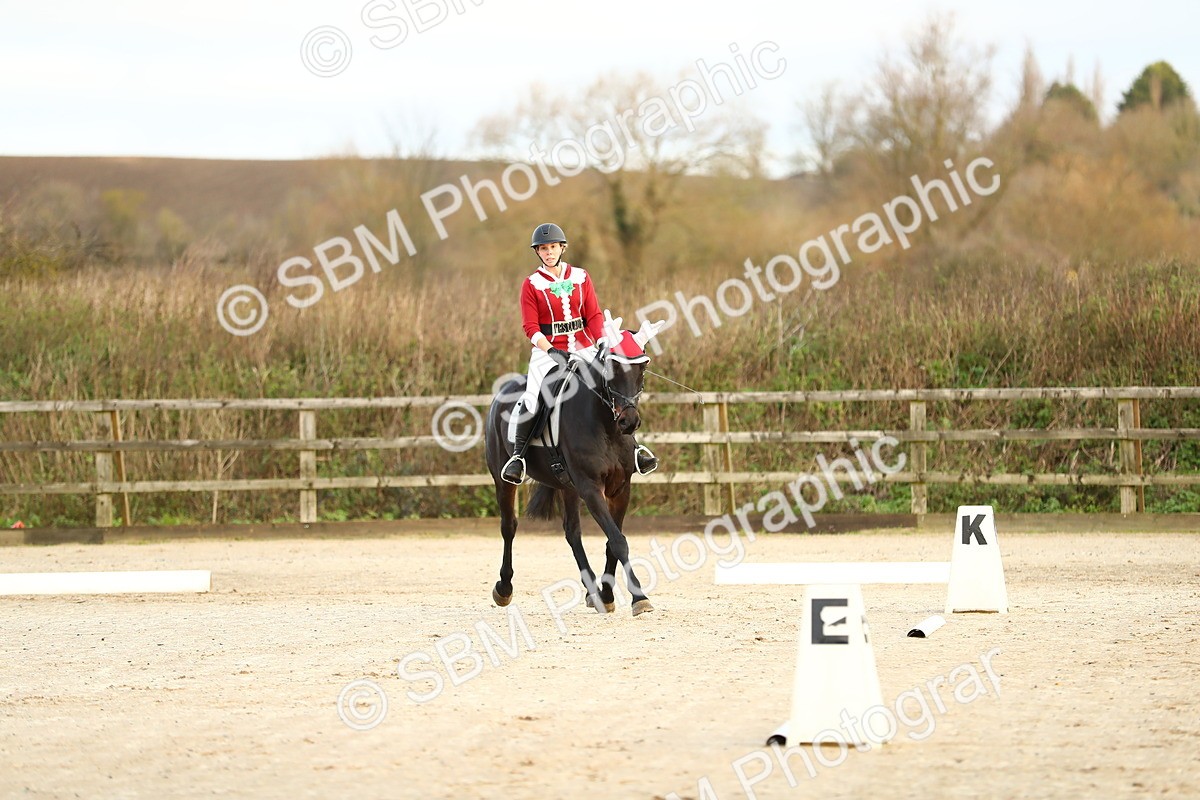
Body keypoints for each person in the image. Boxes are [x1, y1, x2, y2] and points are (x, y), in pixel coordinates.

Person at [501, 222, 659, 485]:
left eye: (553, 247)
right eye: (543, 248)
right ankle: (518, 458)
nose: (549, 252)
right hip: (548, 351)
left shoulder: (581, 277)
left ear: (562, 248)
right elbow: (529, 327)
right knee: (531, 398)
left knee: (612, 392)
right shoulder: (532, 284)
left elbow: (593, 315)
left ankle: (635, 449)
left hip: (585, 347)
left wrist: (600, 342)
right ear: (538, 252)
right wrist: (551, 350)